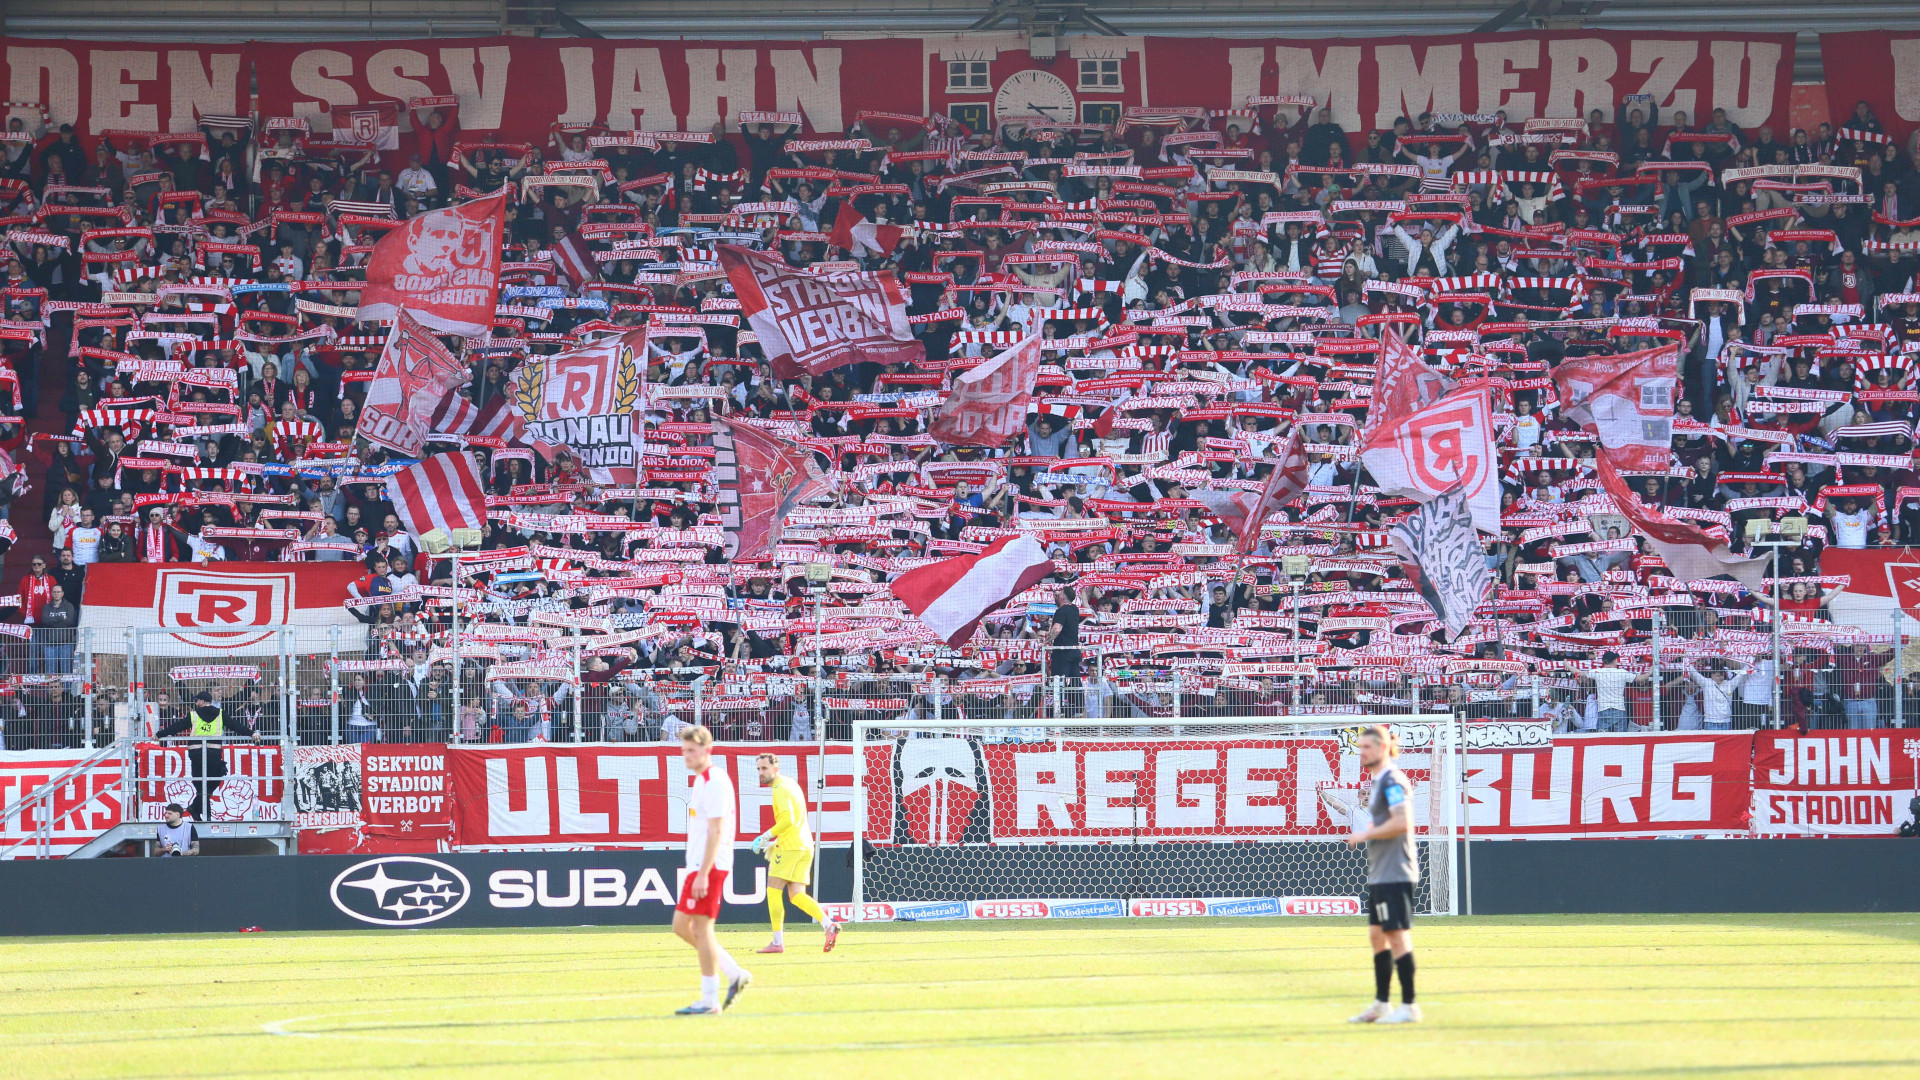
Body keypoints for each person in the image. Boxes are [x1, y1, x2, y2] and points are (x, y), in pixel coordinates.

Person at [672, 725, 751, 1015]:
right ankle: (733, 973)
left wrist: (704, 872)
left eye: (692, 750)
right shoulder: (701, 780)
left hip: (711, 864)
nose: (687, 756)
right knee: (681, 927)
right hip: (699, 864)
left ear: (707, 750)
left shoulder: (715, 781)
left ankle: (709, 1000)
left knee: (702, 930)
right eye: (684, 751)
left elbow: (717, 830)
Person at [1346, 725, 1420, 1025]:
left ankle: (1410, 1006)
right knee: (1377, 936)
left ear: (1381, 748)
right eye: (1360, 747)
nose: (1361, 752)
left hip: (1396, 870)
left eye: (1366, 747)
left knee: (1397, 937)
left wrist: (1366, 834)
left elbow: (1403, 822)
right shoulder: (1377, 783)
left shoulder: (1392, 780)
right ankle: (1381, 1003)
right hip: (1381, 872)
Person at [749, 753, 841, 955]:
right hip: (805, 845)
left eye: (764, 768)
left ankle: (776, 942)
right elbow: (796, 820)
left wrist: (764, 837)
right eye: (758, 769)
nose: (761, 773)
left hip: (790, 847)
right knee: (797, 895)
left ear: (775, 768)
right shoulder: (790, 784)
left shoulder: (779, 789)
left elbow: (788, 821)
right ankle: (828, 925)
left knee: (773, 891)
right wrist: (776, 840)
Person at [154, 691, 256, 819]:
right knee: (211, 783)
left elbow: (176, 727)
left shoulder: (193, 715)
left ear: (202, 702)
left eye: (197, 701)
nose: (196, 703)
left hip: (196, 753)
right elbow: (236, 726)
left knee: (200, 785)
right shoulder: (220, 714)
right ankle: (202, 814)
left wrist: (159, 734)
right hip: (213, 753)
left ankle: (196, 810)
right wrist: (251, 733)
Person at [1581, 652, 1643, 733]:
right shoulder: (1622, 672)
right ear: (1615, 661)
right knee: (1620, 737)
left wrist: (1567, 665)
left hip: (1603, 708)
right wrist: (1650, 672)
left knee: (1602, 737)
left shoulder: (1598, 672)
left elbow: (1580, 673)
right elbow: (1638, 679)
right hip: (1619, 708)